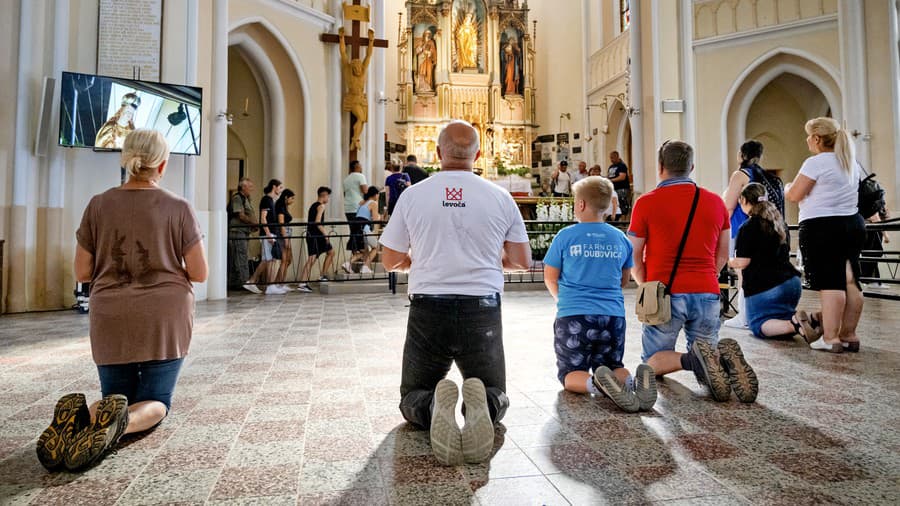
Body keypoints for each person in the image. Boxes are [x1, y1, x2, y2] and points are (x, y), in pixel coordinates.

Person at [37, 129, 208, 472]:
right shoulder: (178, 207)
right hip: (164, 314)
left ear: (126, 159)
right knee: (157, 401)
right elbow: (200, 272)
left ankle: (83, 418)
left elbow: (82, 271)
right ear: (162, 164)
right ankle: (119, 425)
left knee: (117, 396)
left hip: (110, 312)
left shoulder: (98, 204)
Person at [380, 120, 531, 466]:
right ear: (478, 154)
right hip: (482, 308)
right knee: (496, 391)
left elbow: (389, 259)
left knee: (411, 395)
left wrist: (414, 262)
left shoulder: (413, 195)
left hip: (428, 308)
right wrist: (492, 261)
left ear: (437, 153)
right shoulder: (500, 196)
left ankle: (432, 405)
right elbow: (522, 261)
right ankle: (484, 405)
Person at [629, 140, 758, 403]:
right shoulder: (715, 203)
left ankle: (692, 360)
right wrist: (709, 274)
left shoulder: (646, 203)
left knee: (649, 366)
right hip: (707, 291)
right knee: (706, 357)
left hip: (665, 292)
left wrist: (646, 285)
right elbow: (723, 252)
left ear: (660, 166)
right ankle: (718, 360)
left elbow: (633, 254)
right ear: (692, 167)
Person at [543, 176, 656, 413]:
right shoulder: (620, 239)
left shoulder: (566, 236)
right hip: (612, 317)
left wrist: (562, 301)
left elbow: (550, 277)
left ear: (581, 205)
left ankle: (597, 385)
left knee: (570, 374)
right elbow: (624, 280)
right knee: (613, 364)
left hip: (574, 316)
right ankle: (631, 383)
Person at [785, 117, 866, 353]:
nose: (807, 140)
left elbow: (795, 195)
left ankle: (830, 338)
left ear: (818, 138)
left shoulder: (816, 163)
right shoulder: (849, 161)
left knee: (830, 282)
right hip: (852, 224)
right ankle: (849, 335)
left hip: (823, 226)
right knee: (850, 280)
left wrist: (788, 186)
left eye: (809, 135)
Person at [728, 183, 813, 341]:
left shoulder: (748, 227)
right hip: (792, 283)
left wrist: (728, 261)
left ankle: (795, 324)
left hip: (767, 286)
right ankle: (809, 320)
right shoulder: (780, 224)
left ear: (745, 200)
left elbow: (742, 262)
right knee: (780, 319)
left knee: (757, 325)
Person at [721, 140, 783, 329]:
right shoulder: (767, 176)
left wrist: (719, 229)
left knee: (743, 273)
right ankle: (759, 312)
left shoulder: (741, 175)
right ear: (760, 156)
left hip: (742, 227)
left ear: (741, 155)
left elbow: (729, 207)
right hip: (768, 227)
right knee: (759, 271)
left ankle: (745, 316)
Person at [338, 27, 375, 151]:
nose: (358, 70)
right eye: (356, 68)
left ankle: (355, 139)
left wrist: (371, 41)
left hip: (362, 99)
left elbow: (369, 55)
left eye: (359, 68)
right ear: (352, 68)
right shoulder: (348, 72)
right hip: (353, 99)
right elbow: (343, 54)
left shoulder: (363, 71)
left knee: (363, 120)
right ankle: (355, 139)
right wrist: (341, 38)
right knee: (360, 117)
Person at [251, 179, 287, 295]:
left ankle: (267, 284)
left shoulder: (271, 200)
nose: (281, 190)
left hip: (271, 233)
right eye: (280, 187)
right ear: (274, 187)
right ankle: (257, 282)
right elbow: (263, 218)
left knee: (270, 259)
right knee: (268, 259)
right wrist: (268, 235)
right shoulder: (266, 200)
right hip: (268, 233)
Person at [298, 187, 336, 293]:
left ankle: (321, 275)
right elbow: (318, 222)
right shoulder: (321, 206)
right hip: (315, 236)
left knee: (331, 252)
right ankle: (302, 283)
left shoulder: (314, 206)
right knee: (312, 259)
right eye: (328, 196)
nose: (328, 198)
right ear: (324, 195)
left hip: (314, 236)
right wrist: (326, 235)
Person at [228, 178, 255, 290]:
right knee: (240, 257)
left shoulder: (246, 199)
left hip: (243, 232)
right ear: (243, 187)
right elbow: (241, 215)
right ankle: (245, 283)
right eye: (250, 187)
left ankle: (236, 283)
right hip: (237, 232)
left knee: (239, 257)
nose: (251, 189)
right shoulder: (237, 198)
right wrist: (253, 223)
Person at [347, 186, 381, 275]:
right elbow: (375, 219)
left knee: (365, 251)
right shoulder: (373, 203)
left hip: (356, 228)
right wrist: (381, 216)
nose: (378, 197)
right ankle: (365, 267)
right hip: (364, 228)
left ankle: (350, 264)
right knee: (376, 247)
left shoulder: (362, 202)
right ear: (375, 194)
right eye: (378, 195)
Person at [274, 188, 296, 289]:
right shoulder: (280, 206)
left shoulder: (284, 206)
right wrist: (286, 238)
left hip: (286, 233)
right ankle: (279, 284)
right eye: (292, 198)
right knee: (284, 260)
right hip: (283, 234)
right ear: (286, 197)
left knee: (288, 260)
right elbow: (281, 223)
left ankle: (279, 282)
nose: (293, 201)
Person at [607, 151, 630, 215]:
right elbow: (609, 176)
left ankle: (623, 221)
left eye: (613, 158)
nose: (611, 160)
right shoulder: (611, 167)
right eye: (610, 158)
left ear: (617, 157)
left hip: (621, 189)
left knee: (622, 204)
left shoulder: (622, 165)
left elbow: (622, 177)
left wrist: (611, 180)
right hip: (613, 189)